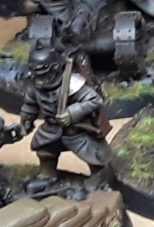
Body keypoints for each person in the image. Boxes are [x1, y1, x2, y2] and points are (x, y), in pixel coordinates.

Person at [18, 47, 111, 182]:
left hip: (77, 129)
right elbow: (30, 104)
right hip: (50, 129)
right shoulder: (35, 87)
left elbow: (94, 100)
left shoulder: (73, 83)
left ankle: (99, 178)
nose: (41, 80)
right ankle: (47, 173)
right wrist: (26, 119)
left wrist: (71, 113)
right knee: (45, 151)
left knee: (93, 155)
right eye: (38, 76)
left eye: (45, 75)